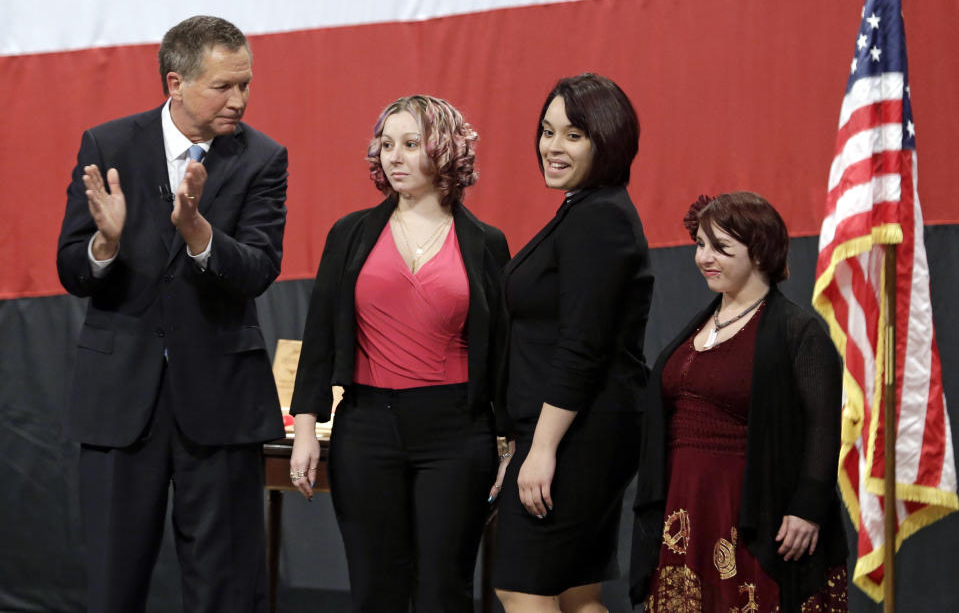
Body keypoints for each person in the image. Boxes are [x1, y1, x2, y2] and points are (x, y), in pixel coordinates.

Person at [55, 16, 288, 612]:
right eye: (223, 86)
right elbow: (72, 268)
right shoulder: (107, 145)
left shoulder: (263, 157)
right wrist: (103, 246)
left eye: (245, 84)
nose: (238, 99)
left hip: (219, 403)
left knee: (227, 588)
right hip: (119, 399)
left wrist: (199, 233)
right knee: (114, 584)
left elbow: (260, 268)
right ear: (175, 82)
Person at [288, 94, 510, 612]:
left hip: (457, 432)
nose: (394, 156)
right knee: (375, 591)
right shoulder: (349, 234)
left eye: (411, 144)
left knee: (442, 592)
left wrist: (511, 442)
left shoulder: (485, 243)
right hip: (366, 427)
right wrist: (304, 428)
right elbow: (318, 337)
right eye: (387, 144)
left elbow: (504, 353)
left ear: (445, 150)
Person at [630, 192, 848, 612]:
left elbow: (823, 426)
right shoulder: (704, 322)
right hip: (687, 508)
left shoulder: (799, 331)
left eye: (721, 248)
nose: (703, 258)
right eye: (701, 245)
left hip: (750, 513)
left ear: (760, 253)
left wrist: (807, 507)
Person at [492, 73, 654, 612]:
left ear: (605, 140)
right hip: (585, 433)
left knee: (522, 588)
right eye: (546, 131)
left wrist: (540, 449)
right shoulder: (588, 210)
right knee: (576, 592)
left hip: (577, 437)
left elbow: (582, 347)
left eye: (573, 135)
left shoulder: (599, 220)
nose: (551, 147)